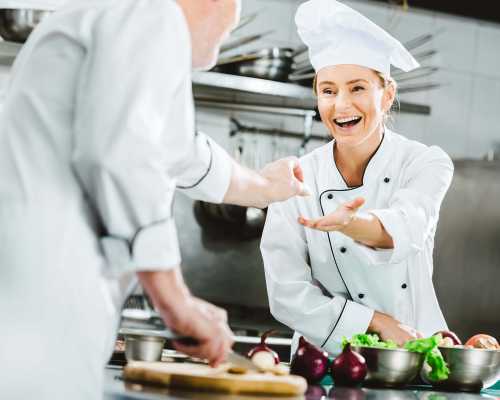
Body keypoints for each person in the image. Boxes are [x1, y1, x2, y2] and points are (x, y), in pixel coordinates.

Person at [0, 0, 309, 398]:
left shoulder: (124, 21)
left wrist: (264, 185)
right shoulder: (153, 13)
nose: (236, 19)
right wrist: (175, 301)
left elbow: (178, 153)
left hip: (40, 295)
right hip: (43, 297)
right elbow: (123, 155)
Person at [260, 0, 454, 357]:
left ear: (387, 95)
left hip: (418, 355)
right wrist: (374, 322)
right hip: (327, 360)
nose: (341, 105)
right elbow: (286, 291)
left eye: (358, 88)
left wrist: (351, 223)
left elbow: (408, 226)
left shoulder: (425, 163)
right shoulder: (297, 178)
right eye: (328, 91)